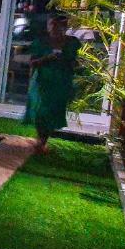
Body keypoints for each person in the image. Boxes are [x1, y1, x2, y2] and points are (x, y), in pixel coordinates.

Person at [23, 14, 81, 152]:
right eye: (51, 24)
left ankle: (42, 141)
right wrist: (47, 58)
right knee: (39, 110)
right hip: (42, 80)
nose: (54, 27)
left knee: (53, 111)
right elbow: (32, 62)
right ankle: (40, 140)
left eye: (57, 25)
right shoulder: (41, 42)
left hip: (60, 80)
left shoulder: (72, 42)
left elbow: (75, 62)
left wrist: (71, 65)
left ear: (64, 27)